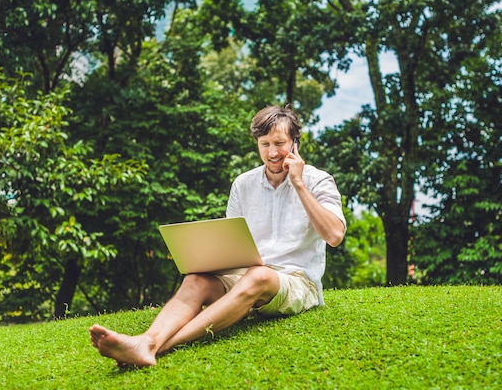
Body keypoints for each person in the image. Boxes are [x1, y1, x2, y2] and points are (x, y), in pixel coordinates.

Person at [89, 105, 346, 367]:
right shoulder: (243, 184)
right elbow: (232, 244)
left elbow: (334, 235)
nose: (272, 153)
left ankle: (154, 346)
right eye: (264, 143)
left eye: (280, 143)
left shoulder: (318, 180)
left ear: (294, 144)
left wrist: (299, 184)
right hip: (247, 275)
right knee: (196, 279)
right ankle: (147, 341)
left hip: (297, 283)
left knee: (258, 275)